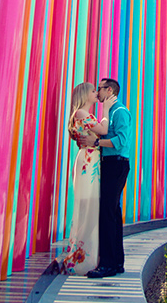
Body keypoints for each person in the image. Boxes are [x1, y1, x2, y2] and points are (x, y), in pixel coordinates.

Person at [59, 82, 116, 275]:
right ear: (85, 95)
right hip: (88, 163)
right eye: (93, 91)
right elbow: (103, 130)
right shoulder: (82, 114)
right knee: (89, 207)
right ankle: (81, 256)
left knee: (91, 208)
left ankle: (84, 254)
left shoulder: (80, 115)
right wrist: (106, 110)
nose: (96, 93)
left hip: (89, 162)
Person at [81, 78, 131, 278]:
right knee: (112, 213)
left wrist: (97, 141)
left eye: (99, 89)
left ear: (109, 90)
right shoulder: (111, 112)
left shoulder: (119, 112)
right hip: (111, 165)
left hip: (116, 164)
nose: (97, 93)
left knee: (107, 213)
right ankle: (116, 262)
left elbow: (121, 141)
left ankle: (108, 264)